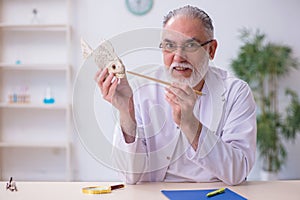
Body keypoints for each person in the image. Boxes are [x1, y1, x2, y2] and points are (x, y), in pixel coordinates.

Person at [95, 5, 256, 185]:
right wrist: (126, 112)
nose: (178, 57)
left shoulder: (236, 92)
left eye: (191, 46)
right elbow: (129, 177)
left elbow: (237, 172)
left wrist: (190, 124)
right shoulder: (140, 89)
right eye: (170, 46)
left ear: (211, 50)